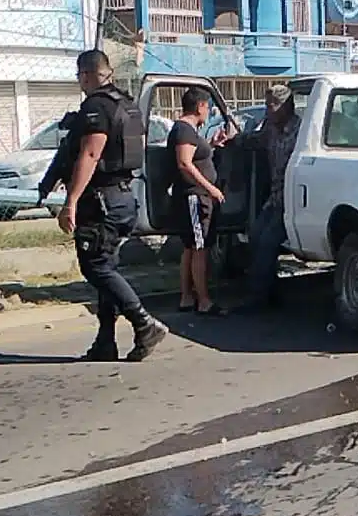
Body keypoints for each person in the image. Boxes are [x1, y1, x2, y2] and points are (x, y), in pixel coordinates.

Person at [41, 48, 166, 363]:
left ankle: (143, 323)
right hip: (123, 197)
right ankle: (105, 343)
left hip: (102, 202)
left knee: (95, 266)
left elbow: (91, 154)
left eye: (79, 77)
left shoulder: (96, 106)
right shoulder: (126, 103)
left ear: (85, 75)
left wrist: (70, 201)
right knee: (106, 268)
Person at [240, 82, 301, 311]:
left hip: (293, 199)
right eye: (267, 105)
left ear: (287, 107)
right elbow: (254, 141)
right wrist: (232, 139)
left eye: (273, 105)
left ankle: (258, 299)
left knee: (267, 243)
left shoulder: (301, 131)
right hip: (274, 197)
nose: (269, 110)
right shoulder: (271, 128)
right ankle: (271, 291)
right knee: (255, 236)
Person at [167, 86, 226, 315]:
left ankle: (187, 297)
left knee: (191, 248)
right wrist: (210, 188)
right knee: (199, 248)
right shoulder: (184, 130)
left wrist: (211, 145)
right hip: (194, 197)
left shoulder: (190, 131)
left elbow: (194, 156)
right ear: (200, 106)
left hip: (194, 195)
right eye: (208, 107)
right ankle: (203, 301)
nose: (209, 111)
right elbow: (184, 163)